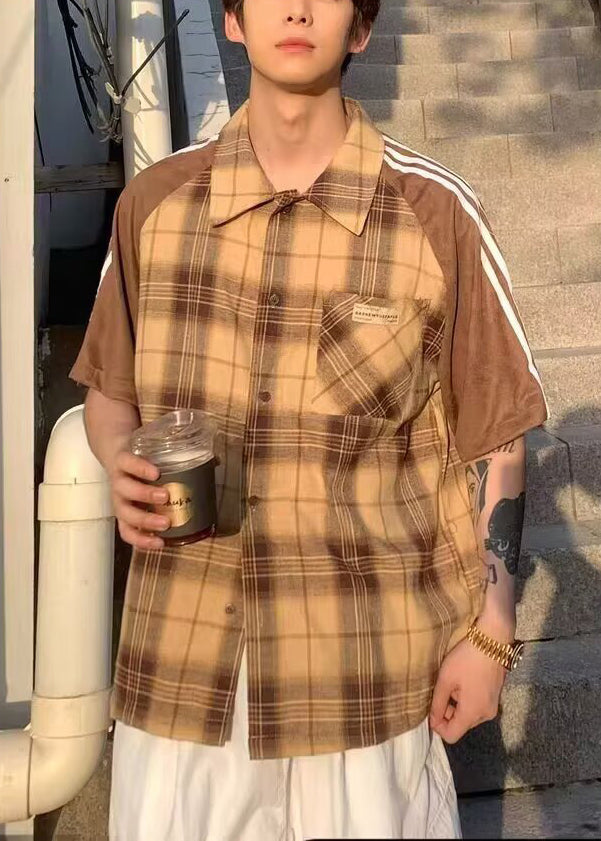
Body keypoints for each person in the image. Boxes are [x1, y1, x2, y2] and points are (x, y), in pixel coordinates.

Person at [69, 0, 548, 837]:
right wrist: (118, 460)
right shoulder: (154, 204)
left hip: (365, 676)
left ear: (360, 28)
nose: (295, 8)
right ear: (231, 20)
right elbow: (110, 387)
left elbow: (496, 439)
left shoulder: (434, 213)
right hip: (184, 668)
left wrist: (493, 631)